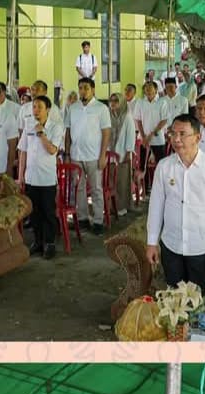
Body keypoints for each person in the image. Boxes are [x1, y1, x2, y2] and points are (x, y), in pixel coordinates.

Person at [145, 114, 205, 306]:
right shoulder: (164, 166)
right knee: (174, 301)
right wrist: (151, 242)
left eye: (182, 134)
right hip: (171, 246)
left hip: (201, 247)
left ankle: (202, 335)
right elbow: (156, 206)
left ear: (197, 137)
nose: (176, 139)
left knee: (201, 301)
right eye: (172, 134)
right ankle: (177, 336)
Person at [18, 95, 64, 260]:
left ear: (48, 110)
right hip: (31, 177)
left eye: (39, 107)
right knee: (34, 212)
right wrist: (20, 175)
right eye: (34, 107)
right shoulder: (28, 125)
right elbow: (22, 150)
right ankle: (37, 241)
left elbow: (52, 150)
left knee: (48, 212)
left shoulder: (56, 127)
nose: (36, 110)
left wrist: (41, 134)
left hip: (46, 179)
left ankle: (49, 243)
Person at [64, 78, 111, 235]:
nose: (83, 91)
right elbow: (68, 132)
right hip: (76, 155)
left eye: (86, 88)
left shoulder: (101, 108)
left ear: (93, 90)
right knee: (79, 189)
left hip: (94, 155)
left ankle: (98, 221)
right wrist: (67, 153)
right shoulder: (73, 108)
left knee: (96, 189)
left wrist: (103, 155)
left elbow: (106, 133)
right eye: (80, 88)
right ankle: (83, 218)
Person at [131, 81, 169, 189]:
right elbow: (138, 120)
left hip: (158, 139)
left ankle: (161, 187)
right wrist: (143, 137)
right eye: (146, 88)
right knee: (143, 165)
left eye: (150, 88)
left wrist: (151, 134)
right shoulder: (140, 102)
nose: (148, 90)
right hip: (143, 140)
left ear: (156, 90)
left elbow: (164, 120)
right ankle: (146, 188)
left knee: (160, 165)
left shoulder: (162, 102)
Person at [108, 92, 136, 217]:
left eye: (116, 101)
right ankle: (111, 206)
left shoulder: (127, 116)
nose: (113, 103)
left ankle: (122, 206)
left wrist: (127, 153)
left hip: (123, 153)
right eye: (111, 101)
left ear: (122, 102)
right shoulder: (108, 115)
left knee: (122, 181)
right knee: (111, 181)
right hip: (110, 154)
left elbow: (131, 136)